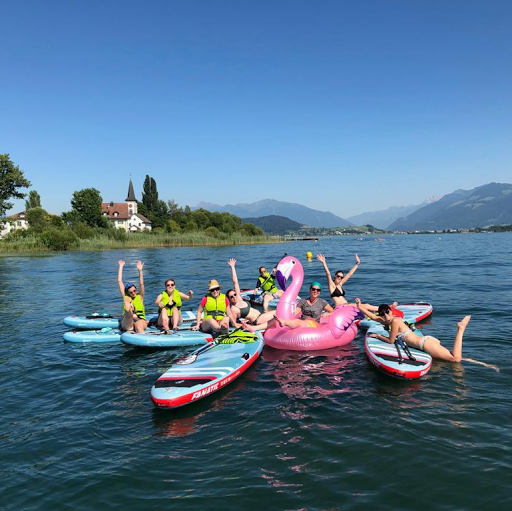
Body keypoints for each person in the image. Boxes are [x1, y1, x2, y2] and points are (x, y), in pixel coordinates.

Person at [355, 299, 471, 363]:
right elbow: (374, 317)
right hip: (425, 343)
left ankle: (460, 328)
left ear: (391, 311)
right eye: (383, 314)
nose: (385, 316)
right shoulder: (389, 320)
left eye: (387, 312)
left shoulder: (395, 321)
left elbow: (390, 341)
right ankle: (475, 361)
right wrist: (359, 306)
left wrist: (377, 336)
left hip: (424, 344)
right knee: (447, 360)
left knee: (455, 359)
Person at [245, 281, 334, 332]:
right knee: (278, 319)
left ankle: (284, 322)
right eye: (313, 289)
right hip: (302, 321)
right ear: (310, 290)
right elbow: (295, 312)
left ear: (320, 292)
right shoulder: (303, 301)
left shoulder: (322, 302)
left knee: (300, 322)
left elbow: (332, 311)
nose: (316, 291)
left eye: (318, 290)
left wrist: (327, 313)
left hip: (313, 324)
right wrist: (285, 315)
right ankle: (254, 328)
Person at [227, 259, 276, 325]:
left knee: (277, 315)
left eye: (234, 294)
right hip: (257, 320)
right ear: (229, 299)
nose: (234, 297)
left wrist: (232, 267)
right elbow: (234, 323)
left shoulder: (239, 298)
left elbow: (235, 282)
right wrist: (243, 324)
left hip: (260, 316)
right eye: (231, 297)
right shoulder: (234, 308)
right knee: (277, 313)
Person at [117, 259, 148, 333]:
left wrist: (140, 270)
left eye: (134, 291)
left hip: (139, 319)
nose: (133, 293)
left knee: (139, 326)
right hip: (128, 322)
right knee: (128, 308)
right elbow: (119, 281)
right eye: (131, 292)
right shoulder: (126, 297)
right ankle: (129, 310)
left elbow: (141, 284)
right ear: (128, 293)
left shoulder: (140, 296)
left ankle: (143, 339)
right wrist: (121, 266)